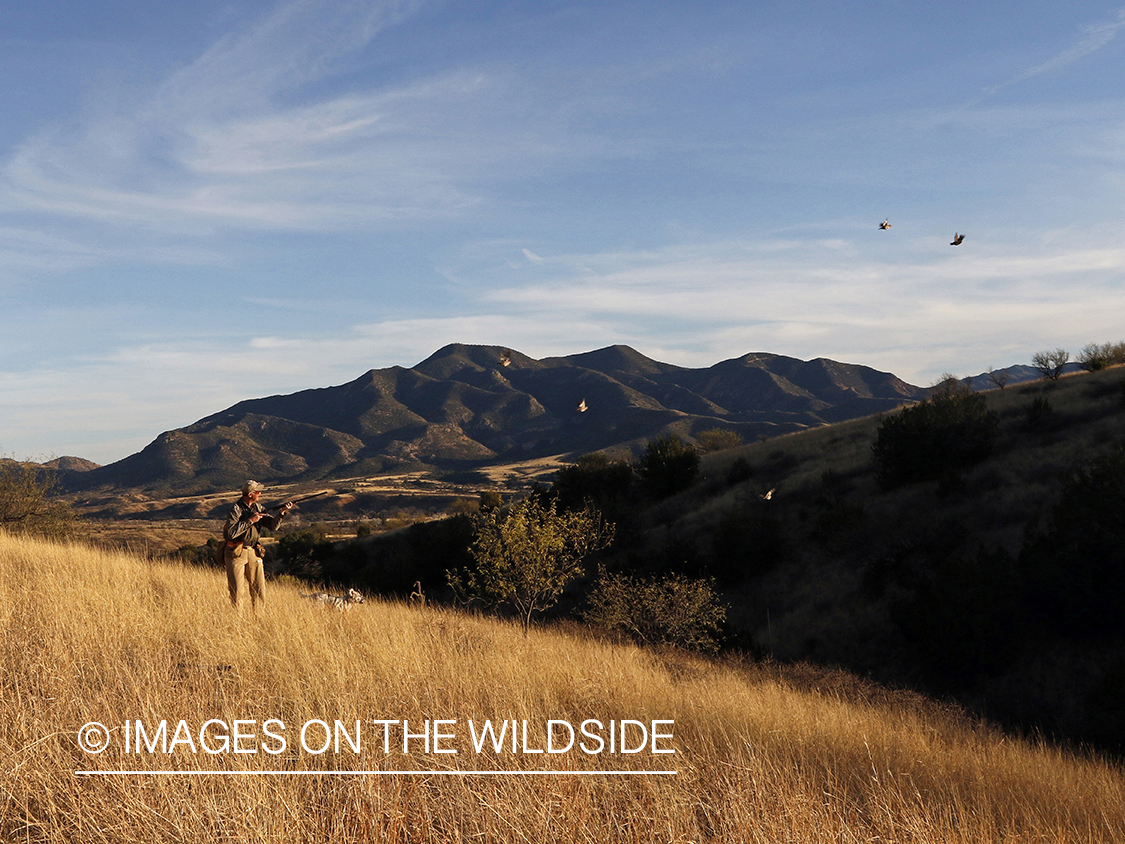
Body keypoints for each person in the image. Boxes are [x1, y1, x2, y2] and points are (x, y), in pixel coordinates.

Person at [224, 480, 293, 609]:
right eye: (258, 491)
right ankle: (237, 623)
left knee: (259, 590)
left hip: (254, 551)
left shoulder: (258, 508)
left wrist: (282, 513)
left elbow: (272, 526)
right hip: (237, 551)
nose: (260, 493)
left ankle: (259, 621)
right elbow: (231, 532)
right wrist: (251, 520)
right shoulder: (235, 509)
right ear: (250, 494)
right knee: (237, 591)